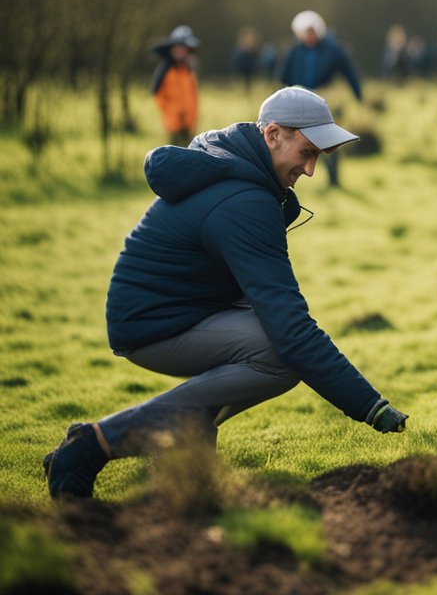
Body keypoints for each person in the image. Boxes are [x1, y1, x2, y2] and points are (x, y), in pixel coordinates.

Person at [42, 86, 408, 499]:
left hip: (184, 312)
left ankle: (179, 447)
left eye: (317, 158)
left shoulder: (238, 171)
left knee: (274, 348)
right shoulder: (244, 200)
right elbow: (290, 325)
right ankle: (94, 445)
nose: (310, 171)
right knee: (280, 357)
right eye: (307, 153)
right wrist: (369, 405)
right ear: (272, 135)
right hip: (153, 324)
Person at [280, 10, 363, 187]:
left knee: (328, 141)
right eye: (306, 32)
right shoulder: (295, 51)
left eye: (312, 31)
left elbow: (349, 72)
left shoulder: (333, 49)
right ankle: (290, 178)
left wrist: (358, 95)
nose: (309, 36)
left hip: (326, 99)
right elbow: (283, 76)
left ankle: (333, 178)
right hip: (299, 100)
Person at [149, 25, 201, 147]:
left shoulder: (188, 71)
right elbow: (157, 94)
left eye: (183, 49)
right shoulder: (165, 70)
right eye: (177, 48)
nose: (179, 52)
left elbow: (193, 96)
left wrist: (192, 118)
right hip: (173, 124)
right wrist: (172, 115)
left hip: (189, 124)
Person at [232, 27, 262, 93]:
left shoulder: (253, 49)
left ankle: (247, 91)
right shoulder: (240, 48)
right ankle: (240, 90)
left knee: (248, 80)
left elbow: (254, 58)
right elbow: (237, 59)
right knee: (240, 80)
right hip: (241, 67)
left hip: (248, 68)